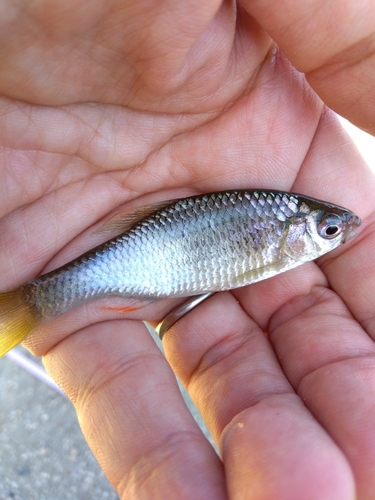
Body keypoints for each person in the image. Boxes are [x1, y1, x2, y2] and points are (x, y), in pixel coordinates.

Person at [1, 1, 374, 498]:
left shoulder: (277, 218)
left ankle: (35, 303)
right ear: (297, 230)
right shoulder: (276, 225)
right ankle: (35, 302)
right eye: (328, 230)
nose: (339, 233)